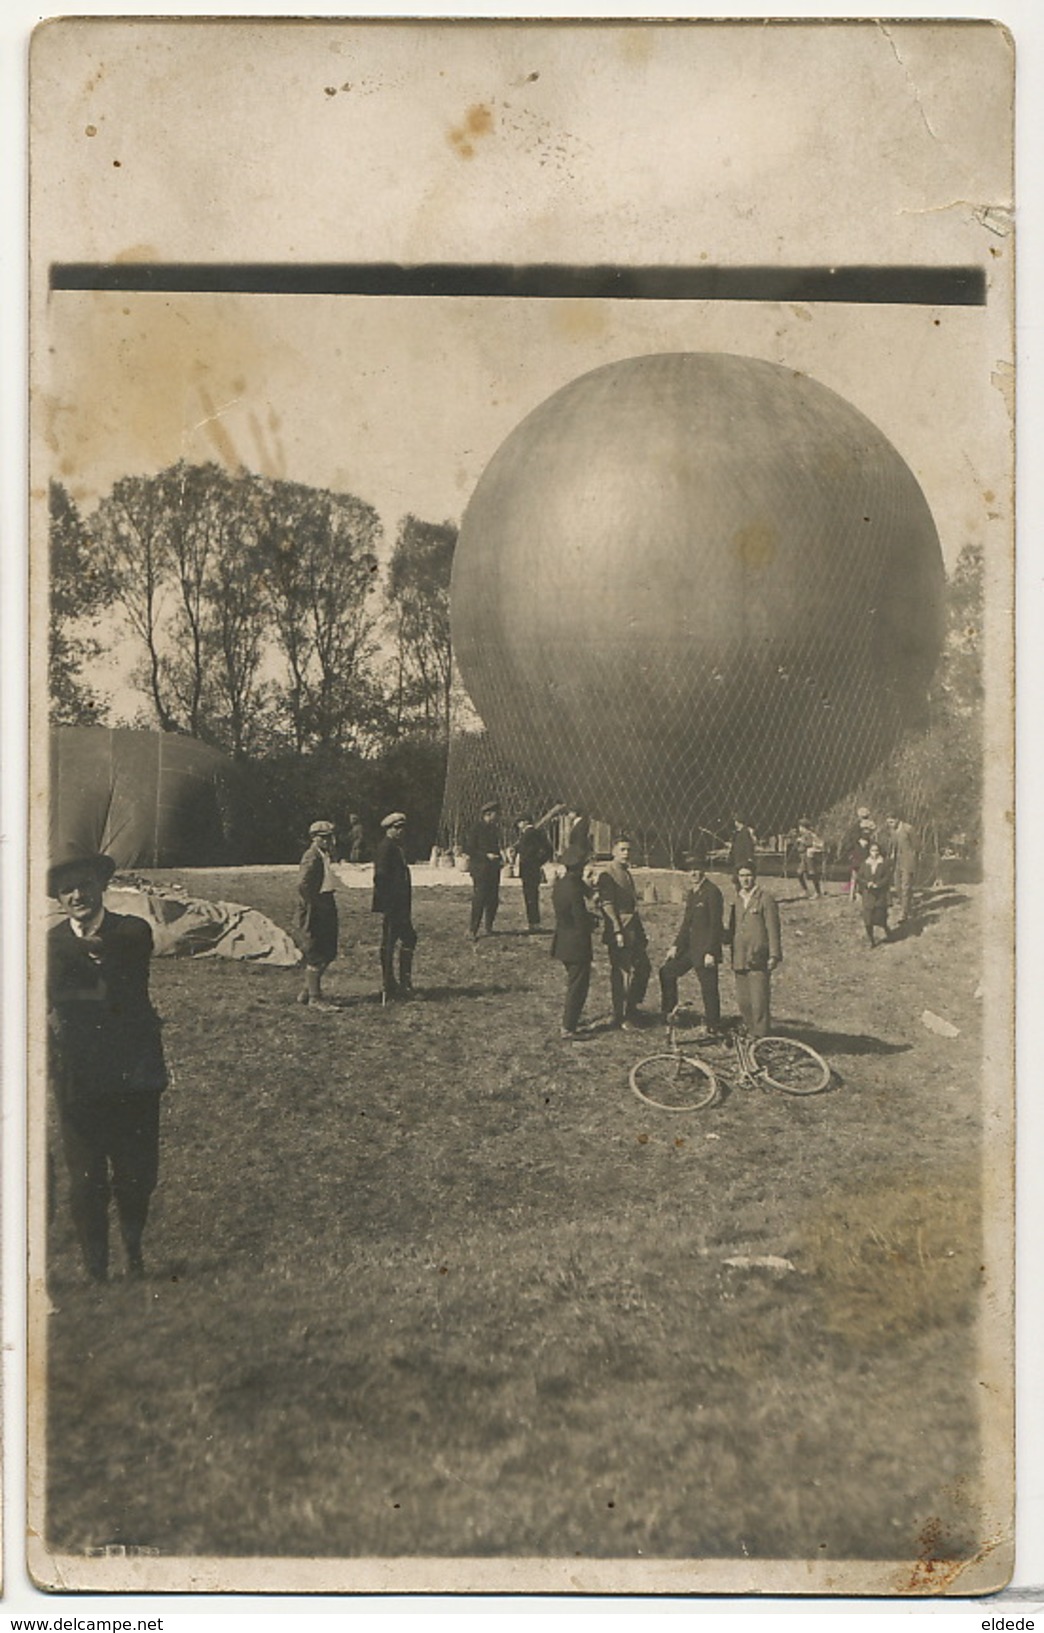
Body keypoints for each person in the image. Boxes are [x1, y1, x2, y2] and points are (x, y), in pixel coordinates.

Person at [47, 852, 168, 1282]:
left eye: (84, 886)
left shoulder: (132, 931)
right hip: (79, 1079)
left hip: (134, 1073)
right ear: (58, 898)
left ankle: (133, 1252)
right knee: (85, 1180)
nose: (77, 895)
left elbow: (126, 949)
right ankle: (96, 1269)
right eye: (67, 890)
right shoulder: (48, 944)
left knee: (137, 1174)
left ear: (101, 888)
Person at [658, 847, 725, 1030]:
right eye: (690, 870)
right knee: (667, 972)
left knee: (709, 988)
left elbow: (716, 925)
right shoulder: (692, 893)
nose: (694, 873)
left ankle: (713, 1025)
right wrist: (675, 946)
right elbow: (686, 923)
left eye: (697, 869)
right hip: (690, 948)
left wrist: (711, 951)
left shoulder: (712, 892)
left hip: (705, 950)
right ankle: (670, 1014)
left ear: (703, 869)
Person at [597, 835, 652, 1030]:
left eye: (629, 850)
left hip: (633, 928)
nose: (626, 853)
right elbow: (607, 904)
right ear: (613, 852)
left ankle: (632, 1006)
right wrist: (617, 930)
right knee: (623, 972)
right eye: (622, 850)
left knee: (644, 967)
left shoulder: (626, 871)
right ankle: (621, 1015)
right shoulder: (609, 873)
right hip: (620, 929)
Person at [550, 842, 600, 1038]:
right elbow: (580, 919)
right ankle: (568, 1028)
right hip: (576, 944)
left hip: (563, 941)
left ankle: (570, 1021)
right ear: (579, 867)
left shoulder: (563, 883)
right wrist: (594, 921)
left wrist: (592, 893)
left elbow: (583, 888)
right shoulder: (573, 890)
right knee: (578, 986)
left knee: (574, 983)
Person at [727, 862, 782, 1039]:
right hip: (740, 958)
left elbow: (773, 929)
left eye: (749, 875)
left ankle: (761, 1038)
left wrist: (774, 955)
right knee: (744, 1002)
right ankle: (751, 1036)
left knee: (759, 1003)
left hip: (758, 958)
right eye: (742, 875)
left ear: (755, 876)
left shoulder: (765, 898)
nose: (745, 879)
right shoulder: (737, 899)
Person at [372, 811, 417, 1001]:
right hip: (393, 905)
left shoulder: (397, 847)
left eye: (403, 828)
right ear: (389, 829)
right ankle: (390, 985)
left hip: (401, 904)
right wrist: (387, 903)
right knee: (390, 943)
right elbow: (380, 877)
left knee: (408, 939)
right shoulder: (386, 848)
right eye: (397, 828)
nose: (401, 831)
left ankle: (402, 983)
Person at [295, 819, 339, 1008]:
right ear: (314, 838)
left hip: (326, 902)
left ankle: (307, 991)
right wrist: (314, 904)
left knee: (329, 951)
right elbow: (303, 885)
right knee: (317, 951)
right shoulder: (311, 856)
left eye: (330, 837)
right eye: (324, 838)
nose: (329, 841)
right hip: (316, 906)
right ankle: (315, 998)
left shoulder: (323, 854)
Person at [466, 799, 505, 939]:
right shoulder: (476, 828)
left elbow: (495, 848)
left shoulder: (494, 829)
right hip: (480, 869)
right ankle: (472, 930)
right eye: (496, 813)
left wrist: (501, 858)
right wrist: (486, 855)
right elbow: (469, 848)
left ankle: (489, 927)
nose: (498, 816)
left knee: (493, 899)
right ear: (488, 814)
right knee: (480, 898)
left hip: (493, 869)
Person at [513, 814, 553, 931]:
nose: (518, 825)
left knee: (530, 896)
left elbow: (530, 851)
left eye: (519, 822)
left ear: (525, 822)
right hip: (532, 868)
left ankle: (533, 923)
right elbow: (548, 849)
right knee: (532, 896)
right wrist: (540, 862)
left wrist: (536, 861)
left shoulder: (530, 834)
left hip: (529, 869)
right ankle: (534, 922)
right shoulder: (536, 833)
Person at [855, 838, 893, 948]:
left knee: (880, 917)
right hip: (868, 895)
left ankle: (885, 927)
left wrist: (878, 885)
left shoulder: (884, 863)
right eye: (872, 851)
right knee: (868, 919)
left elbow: (887, 877)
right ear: (869, 851)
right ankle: (871, 940)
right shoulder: (865, 863)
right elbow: (859, 877)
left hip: (880, 895)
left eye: (876, 851)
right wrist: (867, 884)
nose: (874, 853)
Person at [885, 813, 918, 924]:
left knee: (905, 886)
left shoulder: (908, 829)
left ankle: (904, 913)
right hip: (897, 862)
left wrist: (913, 859)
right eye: (888, 822)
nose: (890, 825)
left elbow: (917, 846)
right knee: (897, 886)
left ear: (897, 819)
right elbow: (893, 845)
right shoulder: (892, 830)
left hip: (908, 861)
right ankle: (907, 907)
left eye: (891, 822)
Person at [795, 818, 825, 899]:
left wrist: (802, 842)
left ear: (804, 827)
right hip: (803, 857)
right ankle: (805, 890)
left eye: (800, 827)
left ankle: (818, 892)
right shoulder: (803, 835)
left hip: (809, 857)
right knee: (799, 873)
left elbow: (812, 844)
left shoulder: (810, 835)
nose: (799, 829)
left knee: (812, 874)